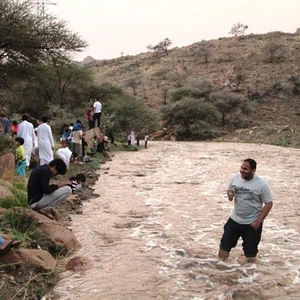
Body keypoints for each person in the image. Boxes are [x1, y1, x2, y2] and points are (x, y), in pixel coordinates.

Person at [218, 158, 273, 261]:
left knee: (250, 254)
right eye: (241, 168)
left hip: (252, 224)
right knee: (224, 246)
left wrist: (258, 221)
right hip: (234, 220)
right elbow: (229, 189)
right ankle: (220, 269)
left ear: (253, 170)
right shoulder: (235, 178)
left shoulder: (262, 185)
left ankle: (250, 275)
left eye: (245, 169)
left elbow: (269, 204)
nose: (242, 170)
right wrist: (229, 194)